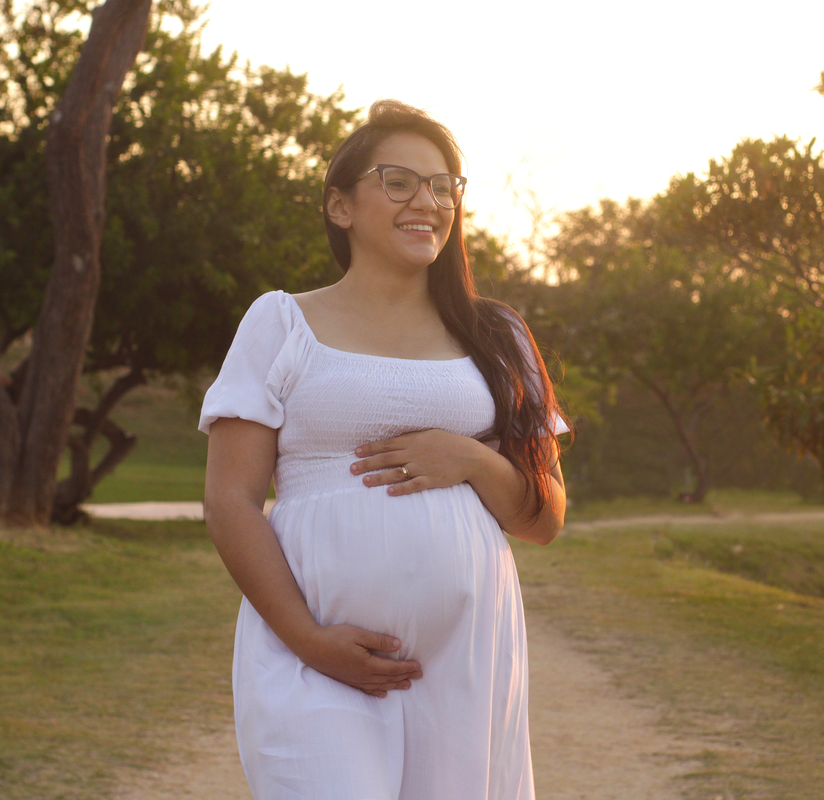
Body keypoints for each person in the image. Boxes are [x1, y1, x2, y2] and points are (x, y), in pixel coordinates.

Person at [200, 99, 567, 800]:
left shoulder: (497, 336)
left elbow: (543, 518)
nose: (426, 201)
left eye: (443, 186)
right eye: (398, 182)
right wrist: (307, 639)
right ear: (340, 205)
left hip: (463, 657)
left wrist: (471, 460)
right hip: (313, 654)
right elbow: (230, 500)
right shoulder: (281, 323)